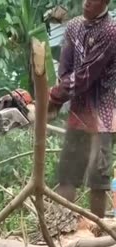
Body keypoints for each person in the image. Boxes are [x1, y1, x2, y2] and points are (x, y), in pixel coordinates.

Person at [48, 0, 116, 218]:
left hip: (103, 117)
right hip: (79, 115)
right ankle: (60, 227)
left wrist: (53, 97)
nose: (86, 2)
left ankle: (99, 233)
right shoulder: (74, 26)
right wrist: (57, 97)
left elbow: (85, 76)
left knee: (98, 181)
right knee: (68, 176)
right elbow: (65, 69)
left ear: (105, 2)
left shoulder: (110, 31)